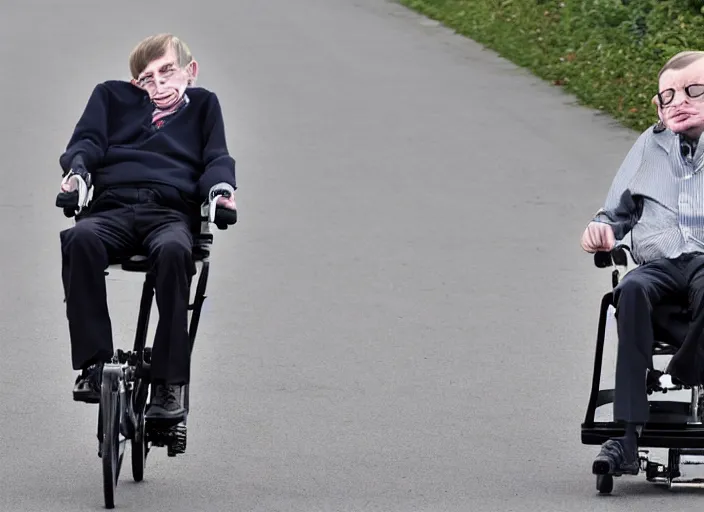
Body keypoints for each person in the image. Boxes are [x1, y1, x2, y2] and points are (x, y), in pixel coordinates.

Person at [57, 33, 237, 424]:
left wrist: (221, 190)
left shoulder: (204, 105)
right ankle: (93, 365)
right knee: (79, 239)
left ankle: (167, 384)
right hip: (112, 207)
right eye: (145, 78)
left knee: (175, 251)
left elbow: (216, 156)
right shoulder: (109, 96)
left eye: (166, 71)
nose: (156, 83)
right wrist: (76, 173)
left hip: (170, 210)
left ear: (191, 70)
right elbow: (86, 141)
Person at [581, 50, 704, 477]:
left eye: (694, 91)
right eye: (668, 96)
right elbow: (614, 213)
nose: (679, 102)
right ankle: (627, 438)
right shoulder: (648, 146)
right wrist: (599, 231)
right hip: (659, 265)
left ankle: (681, 371)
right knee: (629, 288)